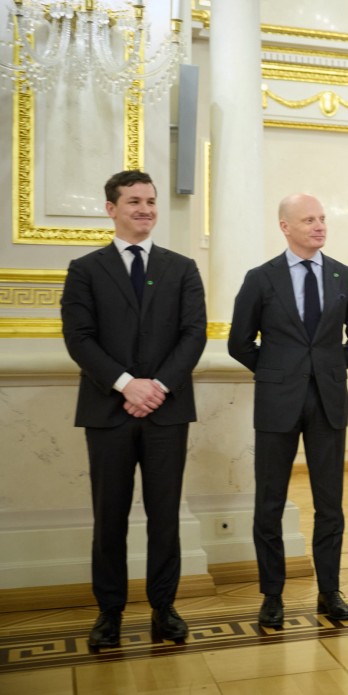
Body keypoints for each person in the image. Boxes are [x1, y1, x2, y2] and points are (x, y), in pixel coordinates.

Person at [61, 169, 207, 649]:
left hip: (166, 411)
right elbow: (79, 338)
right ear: (112, 209)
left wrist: (157, 387)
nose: (145, 209)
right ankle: (109, 613)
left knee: (165, 516)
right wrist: (127, 385)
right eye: (134, 201)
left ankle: (164, 608)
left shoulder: (182, 268)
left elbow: (194, 334)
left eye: (150, 201)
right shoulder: (85, 269)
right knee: (110, 518)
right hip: (108, 411)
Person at [228, 193, 348, 629]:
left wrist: (327, 368)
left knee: (330, 504)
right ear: (285, 226)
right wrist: (276, 372)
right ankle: (272, 595)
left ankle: (330, 591)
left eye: (322, 218)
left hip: (328, 402)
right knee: (269, 502)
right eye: (308, 219)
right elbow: (239, 342)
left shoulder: (344, 275)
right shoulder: (260, 278)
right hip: (278, 402)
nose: (319, 225)